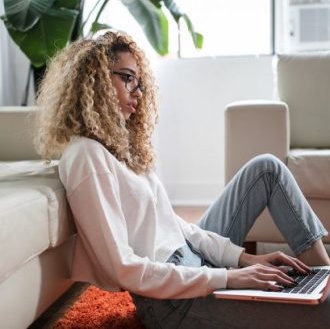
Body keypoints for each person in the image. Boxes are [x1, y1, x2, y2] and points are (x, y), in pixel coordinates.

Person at [35, 31, 330, 328]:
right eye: (127, 78)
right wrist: (227, 277)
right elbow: (121, 268)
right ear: (94, 79)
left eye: (139, 82)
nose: (138, 92)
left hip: (193, 262)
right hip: (172, 301)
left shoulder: (123, 148)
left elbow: (174, 225)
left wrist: (242, 259)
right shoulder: (86, 156)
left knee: (266, 168)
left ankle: (321, 274)